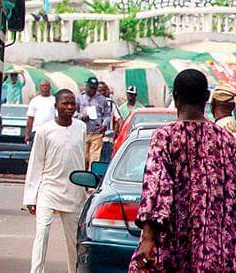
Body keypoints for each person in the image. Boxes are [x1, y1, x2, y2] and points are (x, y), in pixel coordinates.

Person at [129, 69, 236, 273]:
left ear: (175, 96)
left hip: (173, 246)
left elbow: (156, 190)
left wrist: (148, 239)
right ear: (206, 97)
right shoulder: (227, 141)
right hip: (216, 250)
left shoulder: (166, 137)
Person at [24, 89, 86, 273]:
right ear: (56, 106)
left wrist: (84, 189)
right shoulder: (44, 131)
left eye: (72, 103)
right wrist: (30, 197)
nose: (69, 107)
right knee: (42, 234)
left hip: (74, 192)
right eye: (65, 103)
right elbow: (36, 164)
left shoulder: (81, 128)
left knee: (73, 240)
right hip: (48, 189)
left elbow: (82, 159)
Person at [75, 77, 111, 167]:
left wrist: (104, 125)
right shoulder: (79, 98)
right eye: (90, 87)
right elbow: (73, 113)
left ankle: (92, 177)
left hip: (96, 132)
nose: (92, 90)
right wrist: (81, 117)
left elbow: (107, 114)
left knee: (94, 159)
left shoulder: (102, 99)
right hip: (83, 132)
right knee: (84, 158)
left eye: (94, 88)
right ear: (86, 86)